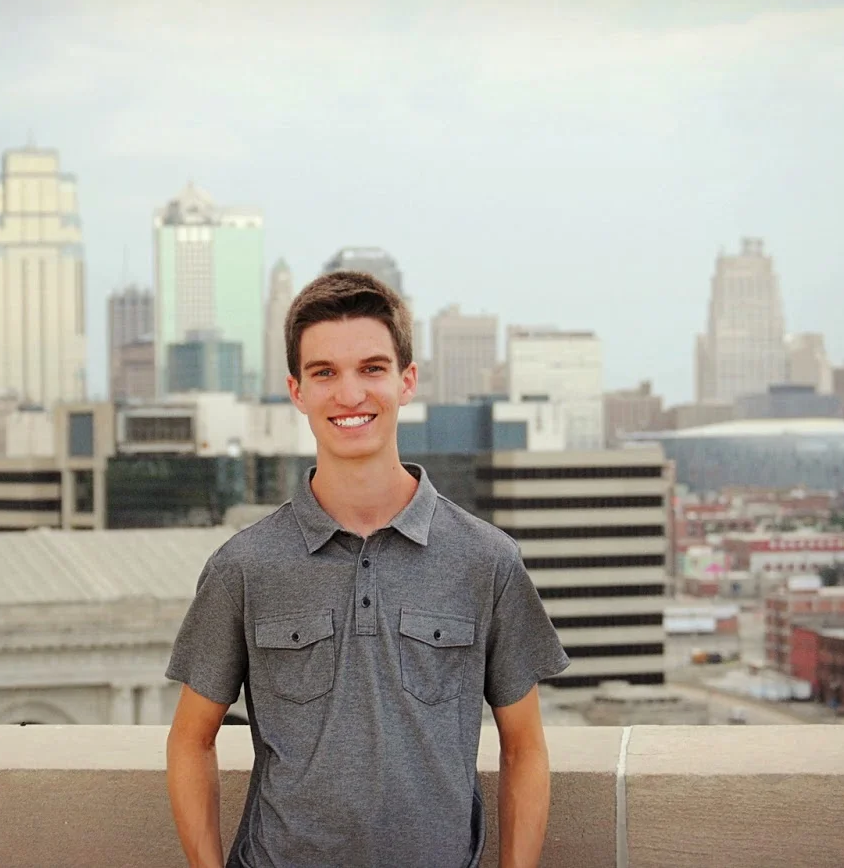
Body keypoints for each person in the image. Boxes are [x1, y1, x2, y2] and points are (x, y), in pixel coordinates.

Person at [164, 271, 570, 868]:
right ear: (296, 391)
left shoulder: (487, 560)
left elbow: (525, 749)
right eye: (324, 372)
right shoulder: (243, 567)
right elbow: (190, 740)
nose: (350, 394)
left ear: (406, 382)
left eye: (372, 368)